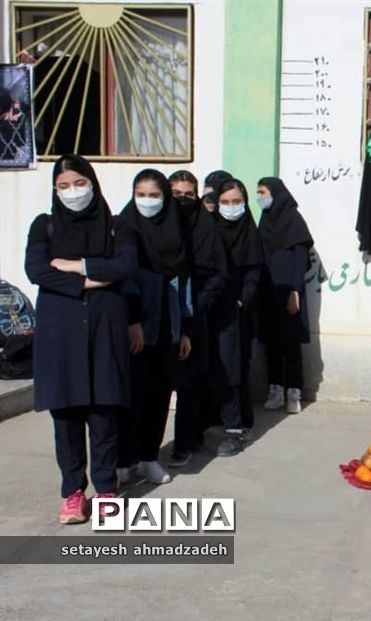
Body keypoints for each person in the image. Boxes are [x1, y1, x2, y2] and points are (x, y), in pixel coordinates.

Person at [24, 155, 137, 523]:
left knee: (104, 415)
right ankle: (73, 493)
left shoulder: (117, 227)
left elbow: (124, 266)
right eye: (63, 186)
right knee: (67, 417)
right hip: (61, 332)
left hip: (104, 327)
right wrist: (92, 279)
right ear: (55, 190)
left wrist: (75, 266)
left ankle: (105, 491)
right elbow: (37, 270)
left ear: (93, 182)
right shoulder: (44, 226)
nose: (73, 192)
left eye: (79, 183)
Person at [115, 169, 193, 485]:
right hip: (135, 328)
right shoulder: (124, 227)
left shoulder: (177, 229)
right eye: (141, 194)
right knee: (129, 396)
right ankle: (123, 461)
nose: (148, 201)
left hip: (168, 327)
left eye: (155, 195)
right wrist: (132, 321)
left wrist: (185, 329)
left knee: (159, 395)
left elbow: (185, 281)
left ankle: (149, 458)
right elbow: (120, 278)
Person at [167, 170, 228, 467]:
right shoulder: (159, 225)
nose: (182, 200)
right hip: (160, 313)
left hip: (195, 315)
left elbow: (219, 272)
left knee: (190, 384)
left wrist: (197, 303)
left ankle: (185, 442)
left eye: (188, 195)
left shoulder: (206, 228)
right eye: (175, 194)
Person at [211, 178, 264, 456]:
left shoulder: (249, 234)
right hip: (209, 307)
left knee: (233, 368)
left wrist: (243, 299)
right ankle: (231, 421)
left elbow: (253, 271)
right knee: (216, 367)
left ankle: (235, 429)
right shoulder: (210, 230)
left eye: (236, 202)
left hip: (236, 311)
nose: (231, 208)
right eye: (225, 202)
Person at [256, 177, 314, 414]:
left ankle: (294, 393)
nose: (260, 197)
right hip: (268, 291)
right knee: (271, 343)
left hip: (290, 292)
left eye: (263, 192)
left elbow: (300, 260)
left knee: (290, 343)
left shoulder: (293, 220)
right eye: (258, 192)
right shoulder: (265, 221)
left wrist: (294, 291)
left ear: (276, 193)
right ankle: (275, 390)